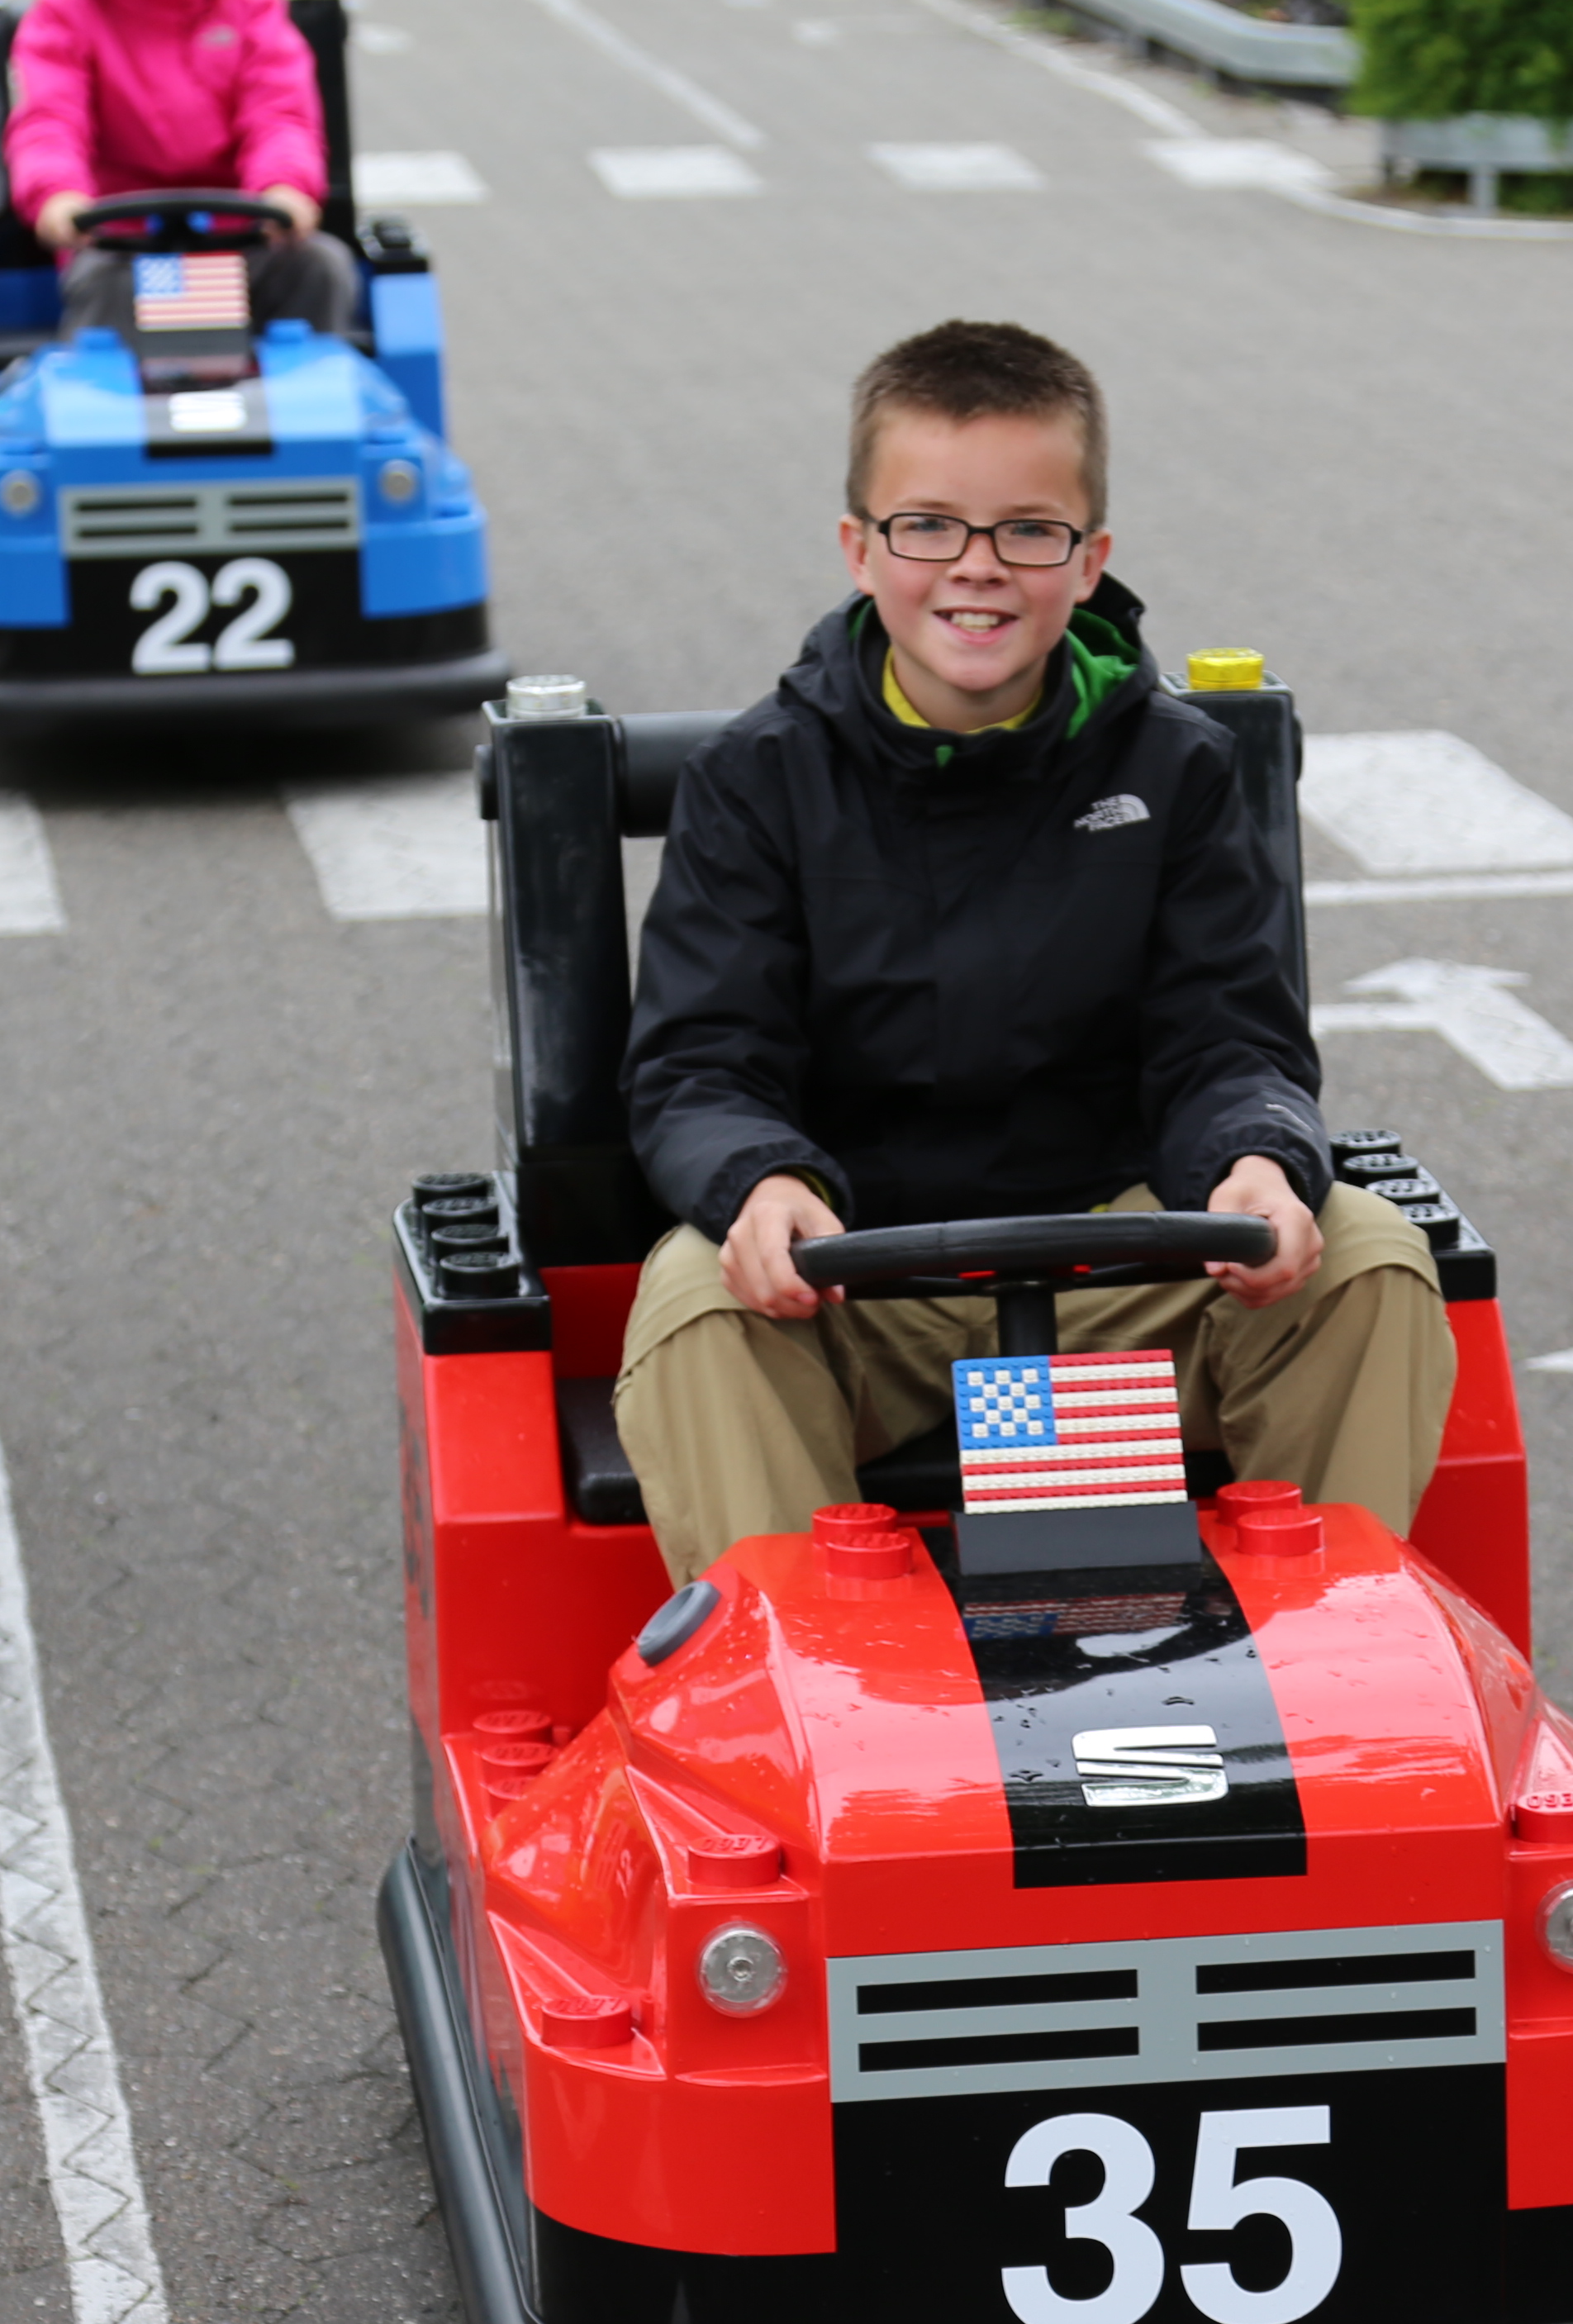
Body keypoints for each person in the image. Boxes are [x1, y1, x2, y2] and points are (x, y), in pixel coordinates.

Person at [614, 320, 1457, 1585]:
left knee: (1371, 1260)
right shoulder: (757, 782)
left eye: (1028, 531)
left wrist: (1252, 1161)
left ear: (1089, 557)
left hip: (1121, 1268)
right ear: (860, 549)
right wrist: (757, 1183)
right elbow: (700, 1062)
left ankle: (1324, 1684)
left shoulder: (1174, 770)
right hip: (857, 1281)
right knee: (693, 1304)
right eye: (930, 526)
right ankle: (815, 1718)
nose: (978, 568)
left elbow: (1227, 1035)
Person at [4, 0, 365, 343]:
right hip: (118, 243)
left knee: (319, 267)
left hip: (246, 235)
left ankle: (305, 393)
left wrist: (284, 185)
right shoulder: (66, 7)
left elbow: (279, 116)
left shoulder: (250, 3)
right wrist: (57, 193)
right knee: (104, 285)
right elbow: (50, 119)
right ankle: (102, 395)